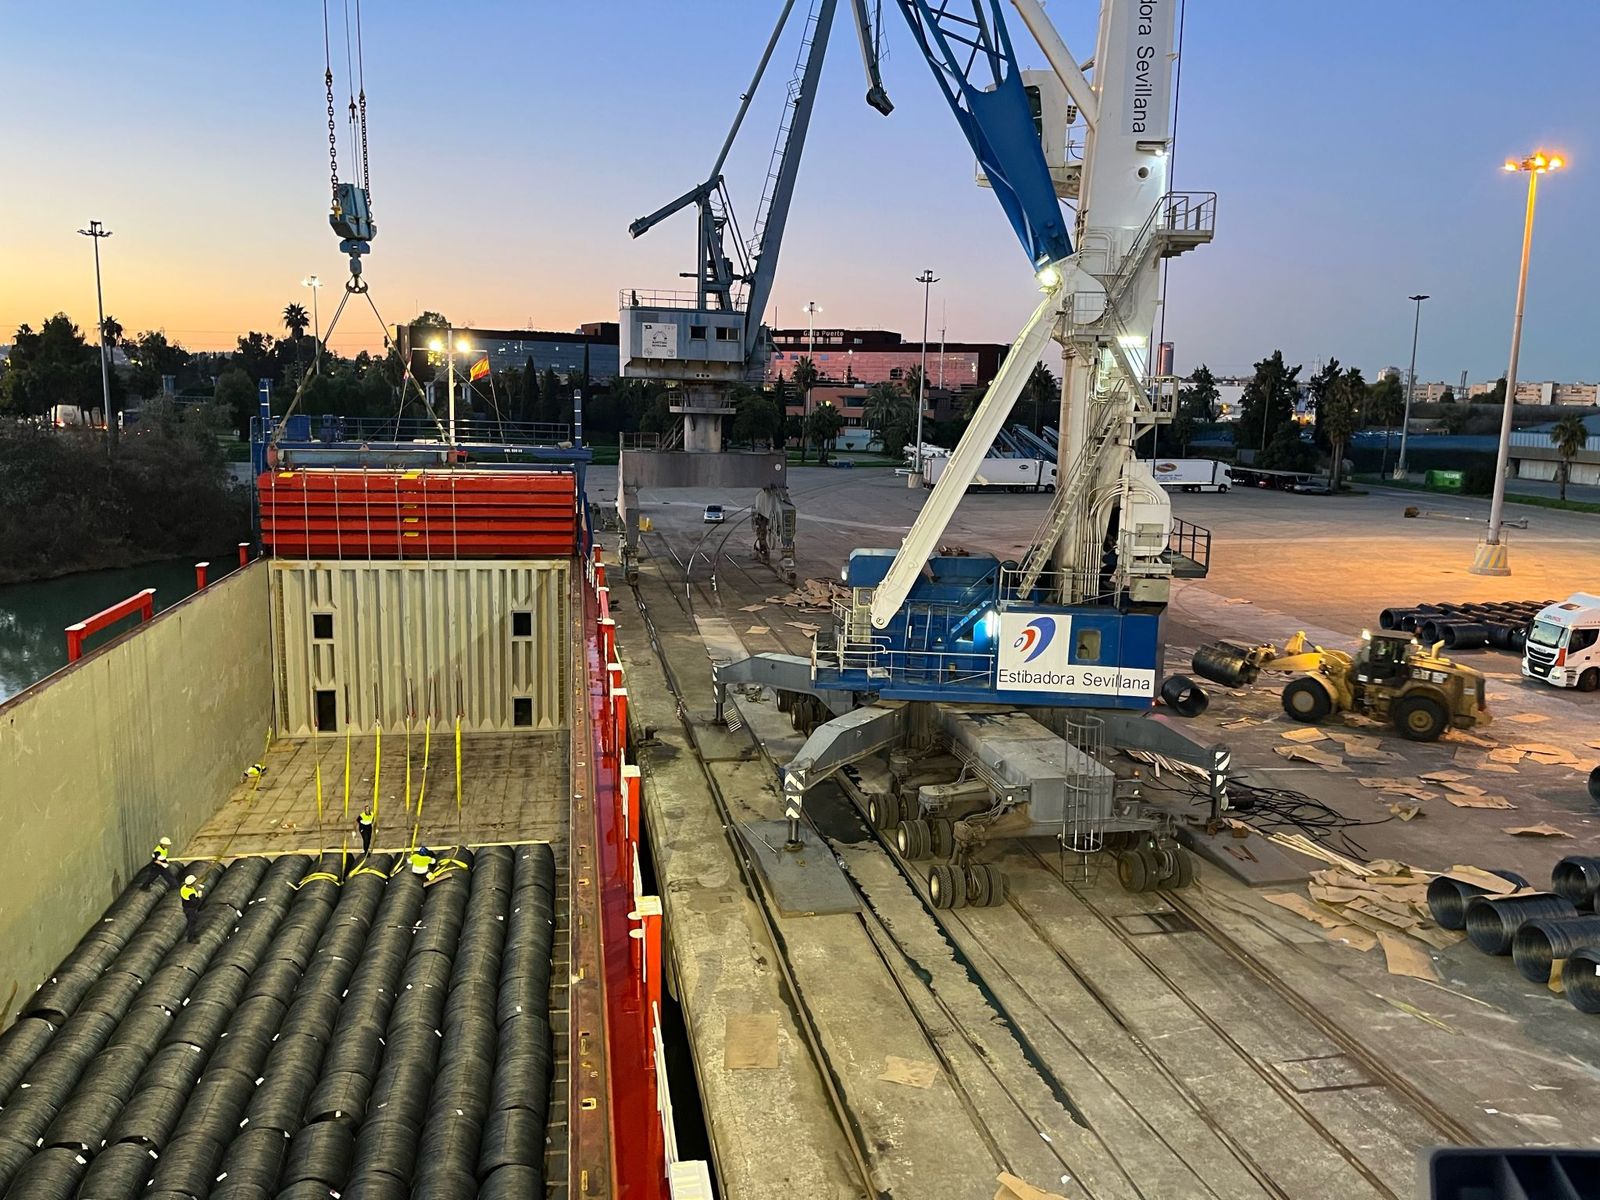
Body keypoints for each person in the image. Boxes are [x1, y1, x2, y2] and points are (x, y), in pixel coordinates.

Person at [179, 875, 205, 943]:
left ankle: (191, 934)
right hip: (191, 910)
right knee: (192, 923)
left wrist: (198, 886)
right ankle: (191, 938)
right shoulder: (191, 894)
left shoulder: (184, 887)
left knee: (190, 922)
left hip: (186, 908)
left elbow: (191, 888)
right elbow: (195, 903)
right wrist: (199, 896)